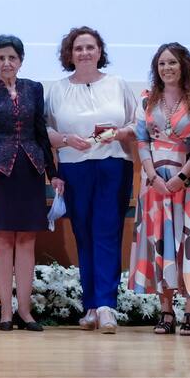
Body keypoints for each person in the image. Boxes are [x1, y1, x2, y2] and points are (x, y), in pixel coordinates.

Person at [128, 42, 190, 336]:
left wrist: (182, 178)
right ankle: (166, 311)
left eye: (172, 62)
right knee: (160, 242)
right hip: (155, 185)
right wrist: (152, 176)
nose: (167, 68)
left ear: (184, 65)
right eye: (161, 63)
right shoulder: (147, 100)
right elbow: (142, 140)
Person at [45, 26, 138, 333]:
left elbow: (136, 124)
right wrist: (66, 139)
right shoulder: (57, 89)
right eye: (78, 48)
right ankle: (91, 308)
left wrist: (119, 133)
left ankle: (107, 306)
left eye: (90, 47)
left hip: (113, 165)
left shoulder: (117, 84)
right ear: (69, 54)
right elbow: (45, 131)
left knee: (107, 232)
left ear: (100, 51)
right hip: (74, 168)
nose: (84, 52)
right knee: (84, 234)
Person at [0, 34, 61, 333]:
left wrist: (52, 172)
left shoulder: (34, 88)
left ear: (21, 60)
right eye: (1, 58)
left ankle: (25, 310)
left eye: (12, 57)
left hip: (30, 170)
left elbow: (40, 133)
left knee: (26, 240)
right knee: (3, 239)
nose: (7, 63)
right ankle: (5, 311)